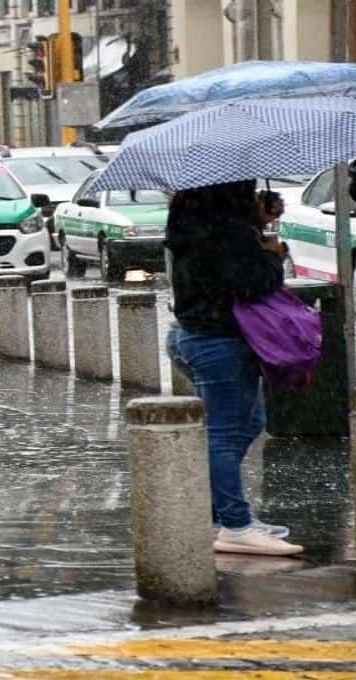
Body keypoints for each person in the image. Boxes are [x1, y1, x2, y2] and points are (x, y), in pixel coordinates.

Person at [165, 180, 303, 557]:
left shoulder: (192, 218)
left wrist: (257, 223)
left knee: (249, 423)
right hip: (219, 341)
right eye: (249, 188)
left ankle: (220, 515)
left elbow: (220, 273)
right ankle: (236, 525)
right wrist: (273, 253)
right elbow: (252, 283)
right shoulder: (227, 229)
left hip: (196, 335)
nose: (254, 191)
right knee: (225, 434)